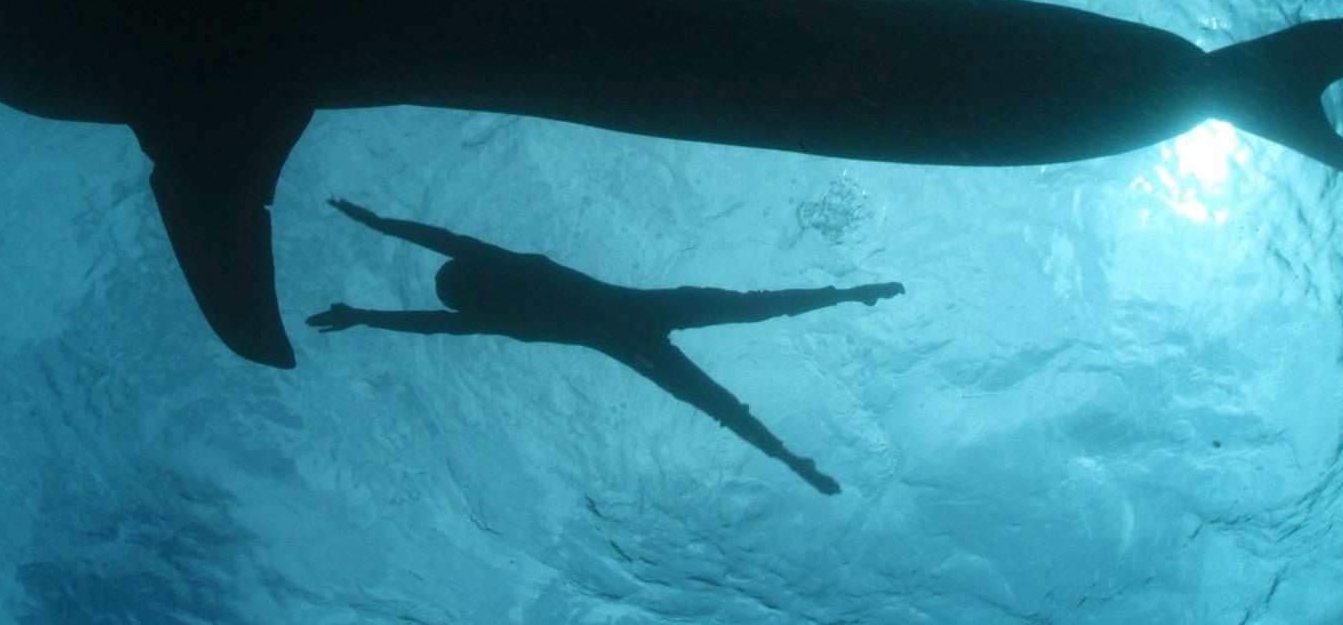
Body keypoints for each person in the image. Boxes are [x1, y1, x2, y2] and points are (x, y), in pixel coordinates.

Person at [308, 198, 903, 494]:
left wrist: (366, 291)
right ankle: (847, 303)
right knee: (743, 328)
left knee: (728, 365)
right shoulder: (495, 293)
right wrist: (368, 277)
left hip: (628, 329)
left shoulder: (492, 297)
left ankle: (846, 308)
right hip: (634, 320)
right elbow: (436, 286)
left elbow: (435, 295)